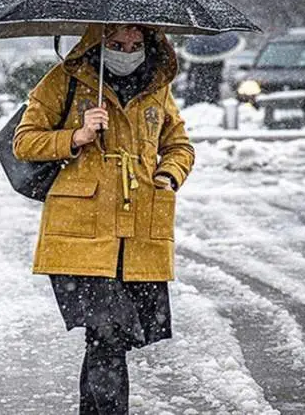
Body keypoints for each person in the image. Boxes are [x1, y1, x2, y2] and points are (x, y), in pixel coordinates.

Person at [13, 23, 195, 414]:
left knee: (113, 338)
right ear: (98, 43)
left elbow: (179, 145)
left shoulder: (156, 88)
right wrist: (75, 137)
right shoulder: (66, 80)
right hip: (81, 234)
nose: (126, 51)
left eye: (134, 44)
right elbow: (24, 141)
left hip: (138, 235)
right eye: (115, 44)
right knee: (107, 334)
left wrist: (167, 176)